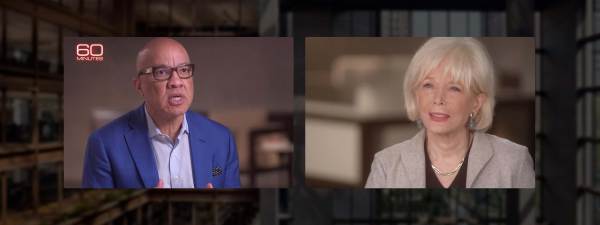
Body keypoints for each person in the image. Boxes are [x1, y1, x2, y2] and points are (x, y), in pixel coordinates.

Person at [365, 37, 534, 188]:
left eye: (454, 88)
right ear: (416, 95)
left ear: (477, 102)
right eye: (428, 85)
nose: (438, 99)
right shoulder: (386, 165)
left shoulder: (514, 161)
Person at [82, 37, 240, 188]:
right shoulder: (104, 144)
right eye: (162, 72)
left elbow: (222, 182)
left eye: (184, 70)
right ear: (139, 85)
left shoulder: (222, 139)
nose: (176, 82)